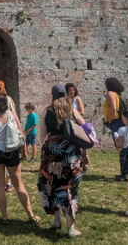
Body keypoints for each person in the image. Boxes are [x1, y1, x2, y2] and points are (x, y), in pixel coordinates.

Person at [0, 94, 41, 225]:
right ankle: (31, 215)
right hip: (12, 151)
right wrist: (25, 151)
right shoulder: (13, 114)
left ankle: (4, 218)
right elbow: (21, 134)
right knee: (18, 184)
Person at [38, 85, 85, 237]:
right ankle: (71, 228)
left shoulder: (48, 109)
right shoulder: (71, 108)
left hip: (51, 151)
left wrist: (46, 150)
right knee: (69, 186)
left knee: (52, 183)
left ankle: (57, 220)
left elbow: (43, 133)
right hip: (69, 151)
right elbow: (83, 124)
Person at [104, 77, 128, 182]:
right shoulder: (119, 94)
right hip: (121, 122)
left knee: (120, 148)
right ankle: (127, 172)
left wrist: (111, 120)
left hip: (116, 122)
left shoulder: (110, 93)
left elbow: (114, 108)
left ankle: (125, 173)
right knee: (124, 147)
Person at [66, 83, 89, 171]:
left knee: (80, 144)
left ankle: (83, 164)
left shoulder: (77, 99)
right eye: (70, 90)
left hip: (77, 122)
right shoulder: (66, 100)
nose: (72, 92)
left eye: (73, 90)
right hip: (69, 123)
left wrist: (73, 113)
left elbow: (82, 112)